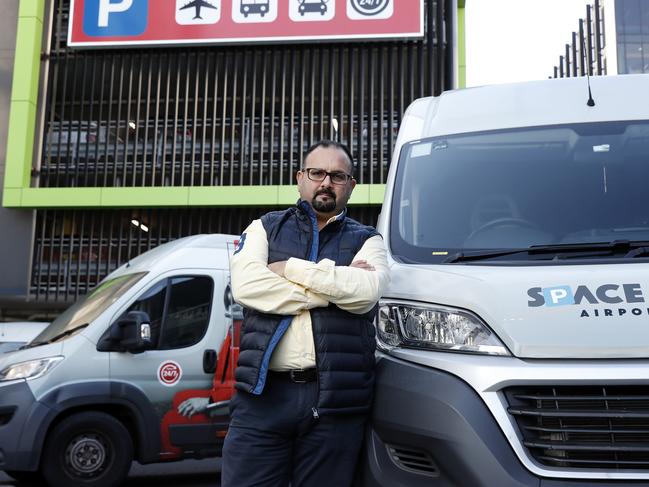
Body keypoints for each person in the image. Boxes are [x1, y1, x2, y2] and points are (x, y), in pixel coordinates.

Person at [221, 140, 390, 487]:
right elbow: (248, 288)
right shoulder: (264, 227)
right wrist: (333, 288)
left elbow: (366, 293)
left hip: (335, 402)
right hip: (262, 396)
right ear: (300, 178)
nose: (326, 182)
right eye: (317, 173)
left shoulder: (369, 240)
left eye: (338, 176)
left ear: (351, 185)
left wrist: (289, 267)